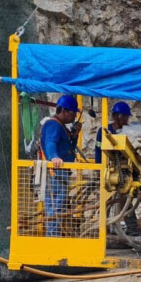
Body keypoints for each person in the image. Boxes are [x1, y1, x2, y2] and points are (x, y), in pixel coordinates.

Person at [41, 95, 82, 237]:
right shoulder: (53, 124)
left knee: (59, 204)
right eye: (73, 113)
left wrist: (74, 135)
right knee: (56, 205)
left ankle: (55, 236)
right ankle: (53, 238)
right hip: (56, 171)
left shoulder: (61, 126)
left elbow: (68, 146)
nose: (74, 116)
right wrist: (54, 157)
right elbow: (50, 143)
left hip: (61, 172)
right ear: (64, 111)